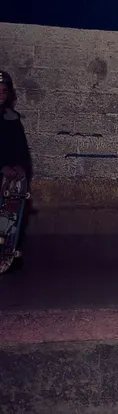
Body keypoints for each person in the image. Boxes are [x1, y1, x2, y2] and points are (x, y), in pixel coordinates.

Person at [0, 71, 32, 269]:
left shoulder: (12, 119)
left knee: (11, 214)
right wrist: (1, 167)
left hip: (9, 178)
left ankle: (7, 251)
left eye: (4, 91)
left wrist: (20, 165)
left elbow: (21, 149)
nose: (1, 94)